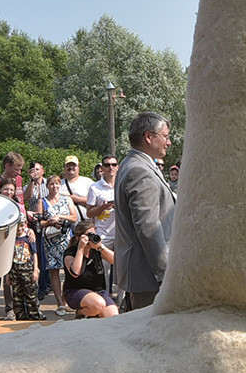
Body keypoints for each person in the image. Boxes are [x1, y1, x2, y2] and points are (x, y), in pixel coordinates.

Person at [113, 111, 177, 312]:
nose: (169, 143)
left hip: (142, 274)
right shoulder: (140, 171)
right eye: (165, 136)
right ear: (149, 137)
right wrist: (165, 274)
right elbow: (149, 228)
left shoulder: (133, 164)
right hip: (148, 278)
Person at [0, 180, 41, 320]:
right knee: (15, 293)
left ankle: (34, 315)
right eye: (6, 189)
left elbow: (34, 252)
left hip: (27, 267)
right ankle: (15, 313)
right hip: (5, 249)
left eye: (11, 189)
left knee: (30, 294)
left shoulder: (19, 207)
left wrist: (36, 269)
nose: (9, 192)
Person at [34, 173, 77, 311]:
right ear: (47, 186)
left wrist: (60, 216)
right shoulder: (42, 201)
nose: (54, 186)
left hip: (66, 239)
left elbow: (74, 217)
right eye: (51, 184)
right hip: (50, 240)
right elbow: (39, 223)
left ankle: (67, 299)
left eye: (57, 184)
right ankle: (59, 302)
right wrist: (50, 222)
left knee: (69, 270)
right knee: (54, 271)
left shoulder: (66, 199)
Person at [61, 221, 119, 317]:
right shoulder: (70, 253)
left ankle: (93, 313)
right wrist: (81, 249)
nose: (91, 237)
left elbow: (114, 260)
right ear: (78, 237)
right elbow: (75, 272)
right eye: (89, 235)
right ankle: (80, 313)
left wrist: (100, 246)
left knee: (113, 316)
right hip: (75, 291)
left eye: (94, 234)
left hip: (98, 291)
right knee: (98, 304)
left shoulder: (96, 250)